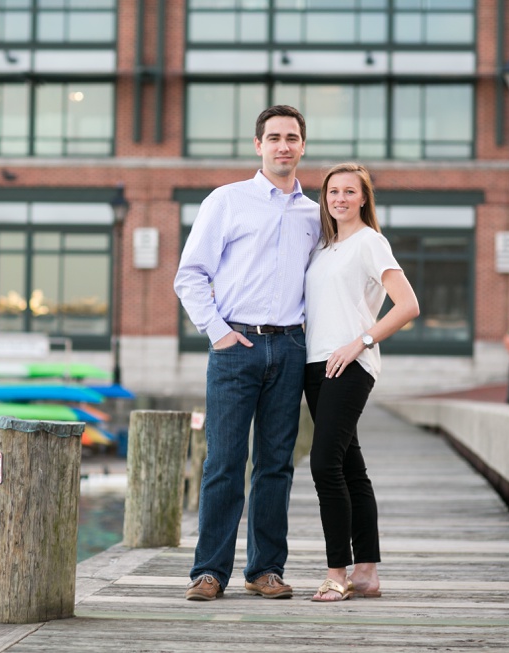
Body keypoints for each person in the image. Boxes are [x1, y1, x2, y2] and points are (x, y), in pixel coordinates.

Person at [174, 105, 321, 601]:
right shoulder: (227, 200)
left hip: (291, 345)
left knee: (276, 463)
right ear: (258, 145)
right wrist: (217, 332)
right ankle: (208, 572)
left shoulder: (313, 213)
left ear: (303, 146)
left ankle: (264, 571)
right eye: (274, 137)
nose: (284, 145)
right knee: (224, 461)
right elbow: (190, 274)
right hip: (236, 344)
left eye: (292, 137)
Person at [302, 162, 420, 602]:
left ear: (364, 198)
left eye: (350, 191)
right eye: (333, 191)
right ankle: (367, 572)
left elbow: (408, 305)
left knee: (323, 464)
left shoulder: (371, 242)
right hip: (315, 365)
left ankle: (337, 572)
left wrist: (361, 342)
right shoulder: (324, 247)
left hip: (349, 365)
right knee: (350, 467)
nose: (340, 199)